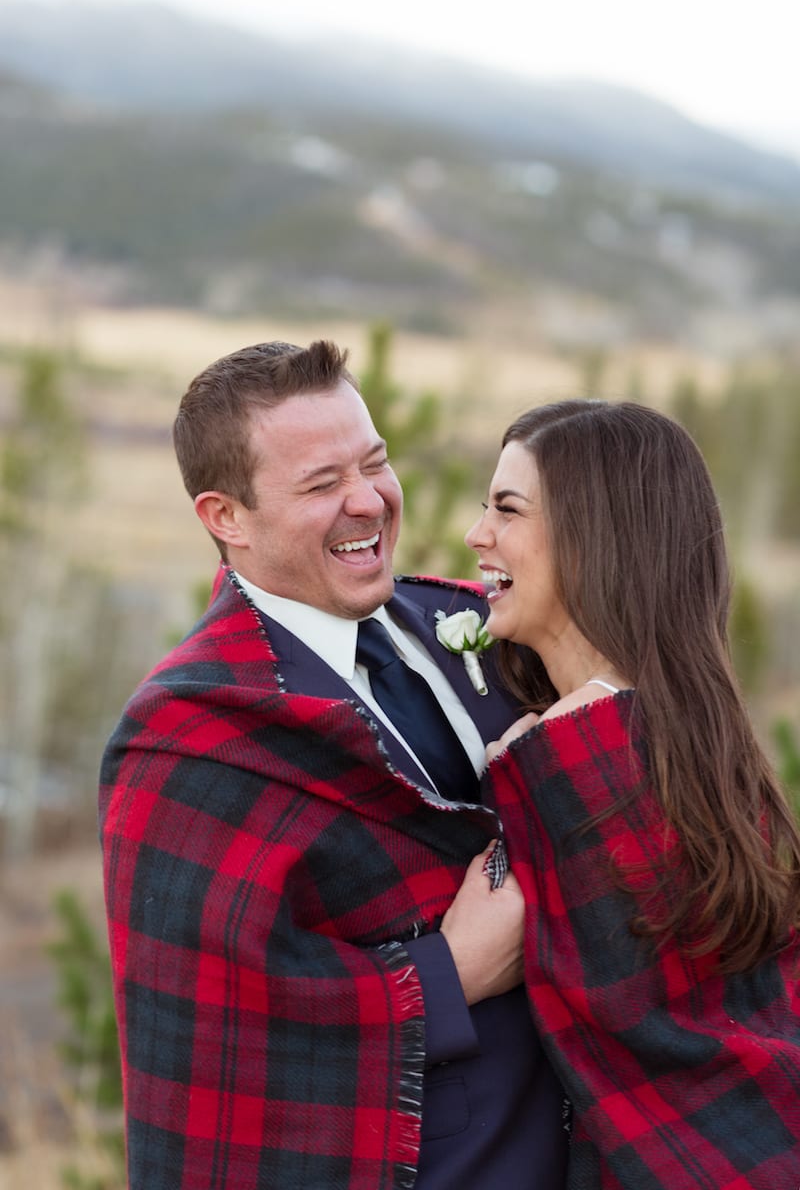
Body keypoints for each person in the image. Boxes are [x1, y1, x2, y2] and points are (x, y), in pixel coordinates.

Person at [99, 340, 568, 1190]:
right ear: (225, 517)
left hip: (595, 1138)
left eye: (375, 462)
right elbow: (221, 1034)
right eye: (321, 485)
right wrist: (450, 974)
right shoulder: (185, 732)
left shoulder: (468, 622)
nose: (369, 502)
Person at [466, 399, 800, 1188]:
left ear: (593, 538)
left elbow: (642, 1045)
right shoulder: (692, 720)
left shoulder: (580, 753)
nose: (478, 534)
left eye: (507, 510)